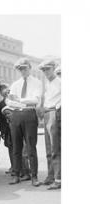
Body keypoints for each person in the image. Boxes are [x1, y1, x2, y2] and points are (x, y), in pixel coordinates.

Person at [5, 58, 42, 186]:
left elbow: (35, 100)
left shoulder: (37, 83)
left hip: (29, 114)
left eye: (24, 68)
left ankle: (34, 177)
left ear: (29, 68)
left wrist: (19, 99)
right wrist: (22, 101)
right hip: (16, 114)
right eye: (20, 69)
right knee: (16, 147)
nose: (22, 71)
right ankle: (16, 175)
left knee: (31, 147)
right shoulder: (15, 84)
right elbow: (9, 101)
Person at [0, 84, 31, 180]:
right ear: (1, 93)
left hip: (17, 128)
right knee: (11, 149)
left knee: (20, 150)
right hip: (8, 130)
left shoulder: (15, 102)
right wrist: (2, 132)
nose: (5, 93)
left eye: (7, 91)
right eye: (3, 91)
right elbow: (1, 119)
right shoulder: (1, 104)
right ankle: (14, 167)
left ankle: (23, 170)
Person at [38, 59, 61, 190]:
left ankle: (58, 179)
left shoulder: (60, 82)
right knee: (48, 148)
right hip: (47, 113)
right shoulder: (48, 83)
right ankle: (50, 176)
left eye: (48, 69)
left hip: (54, 113)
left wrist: (57, 109)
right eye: (44, 70)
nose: (46, 72)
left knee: (55, 148)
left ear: (53, 68)